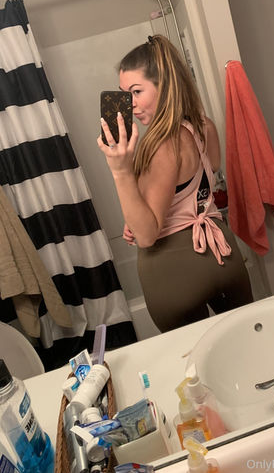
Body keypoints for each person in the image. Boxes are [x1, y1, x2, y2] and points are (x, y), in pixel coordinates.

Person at [98, 34, 253, 333]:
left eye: (137, 91)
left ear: (165, 86)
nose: (130, 104)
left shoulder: (161, 144)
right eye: (124, 94)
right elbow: (203, 178)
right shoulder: (203, 125)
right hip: (223, 257)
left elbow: (146, 235)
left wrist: (120, 171)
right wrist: (142, 210)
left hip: (173, 273)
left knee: (193, 360)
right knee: (248, 340)